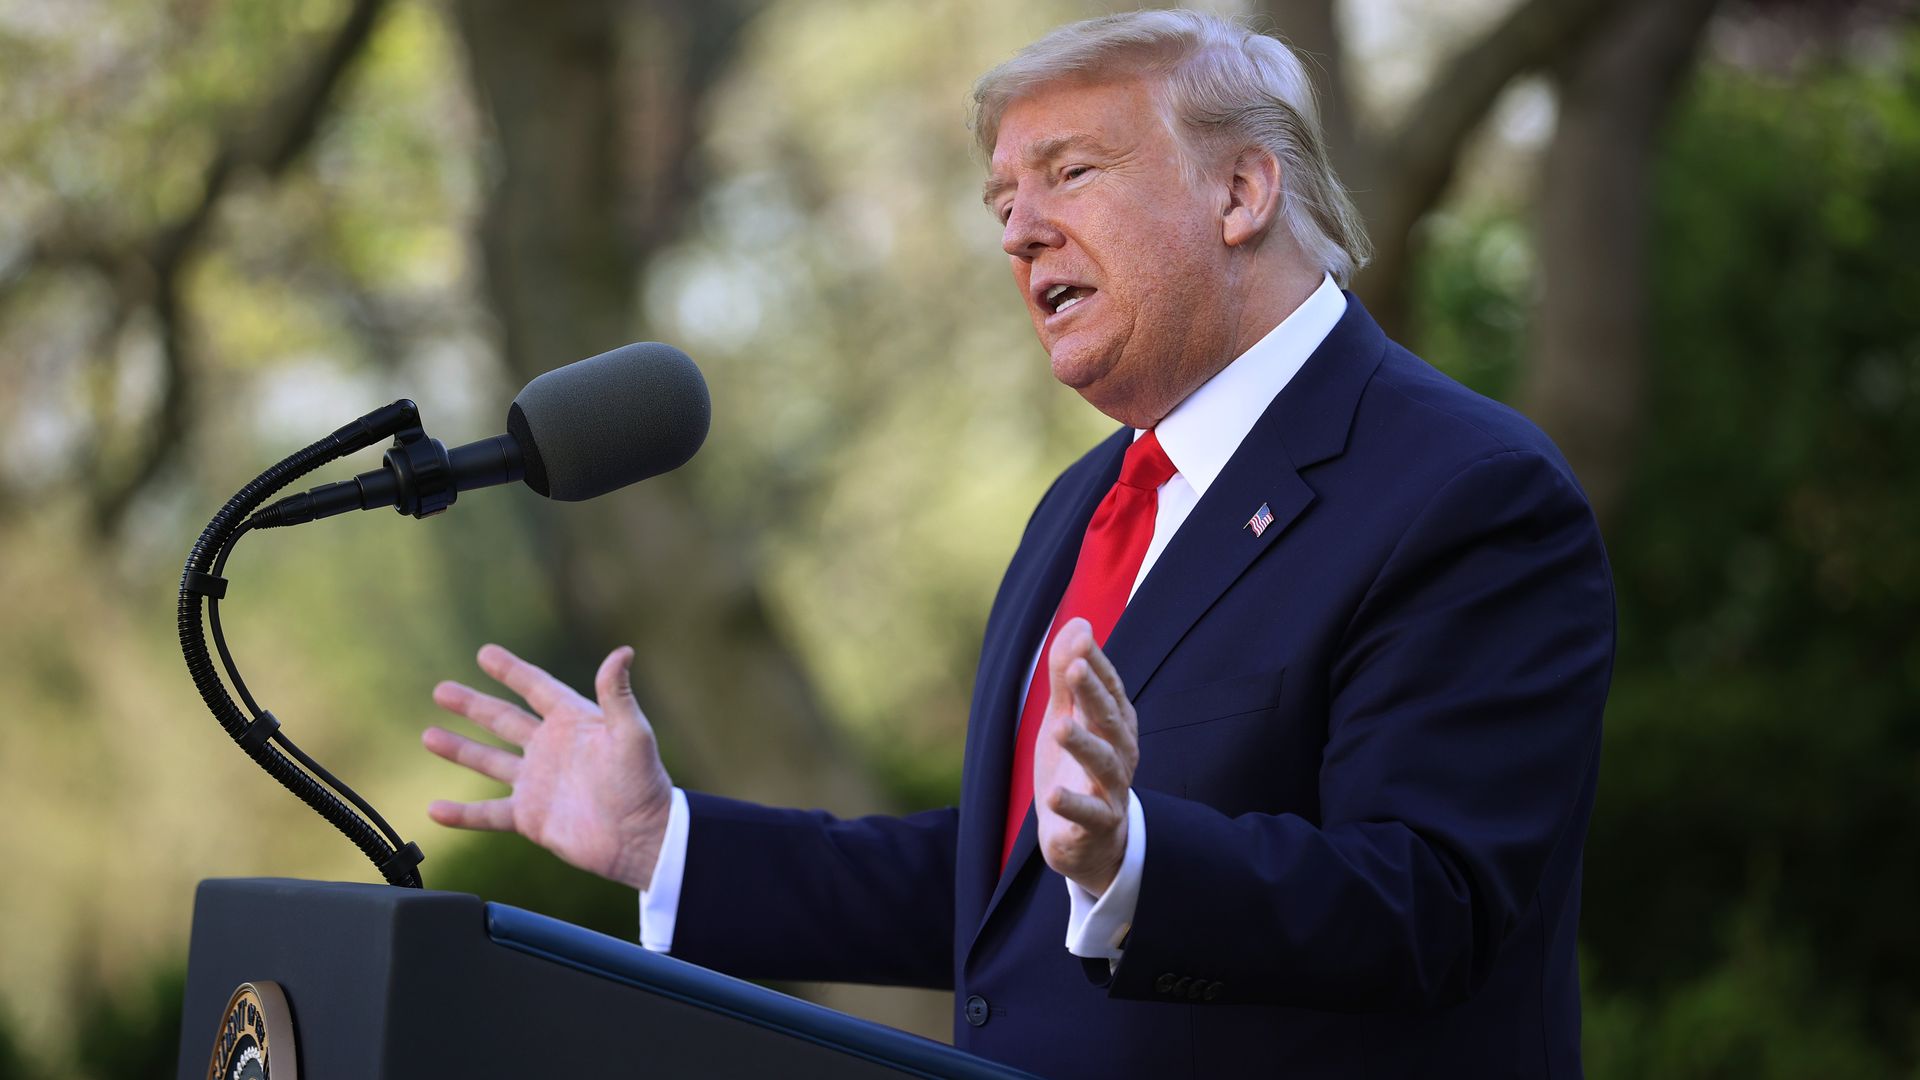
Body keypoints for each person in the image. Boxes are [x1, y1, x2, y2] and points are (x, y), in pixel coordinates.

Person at [421, 10, 1613, 1078]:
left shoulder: (1466, 492)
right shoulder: (1083, 506)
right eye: (1001, 203)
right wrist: (663, 840)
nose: (1020, 233)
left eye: (1071, 173)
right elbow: (1004, 887)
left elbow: (1432, 904)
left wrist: (1135, 859)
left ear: (1242, 193)